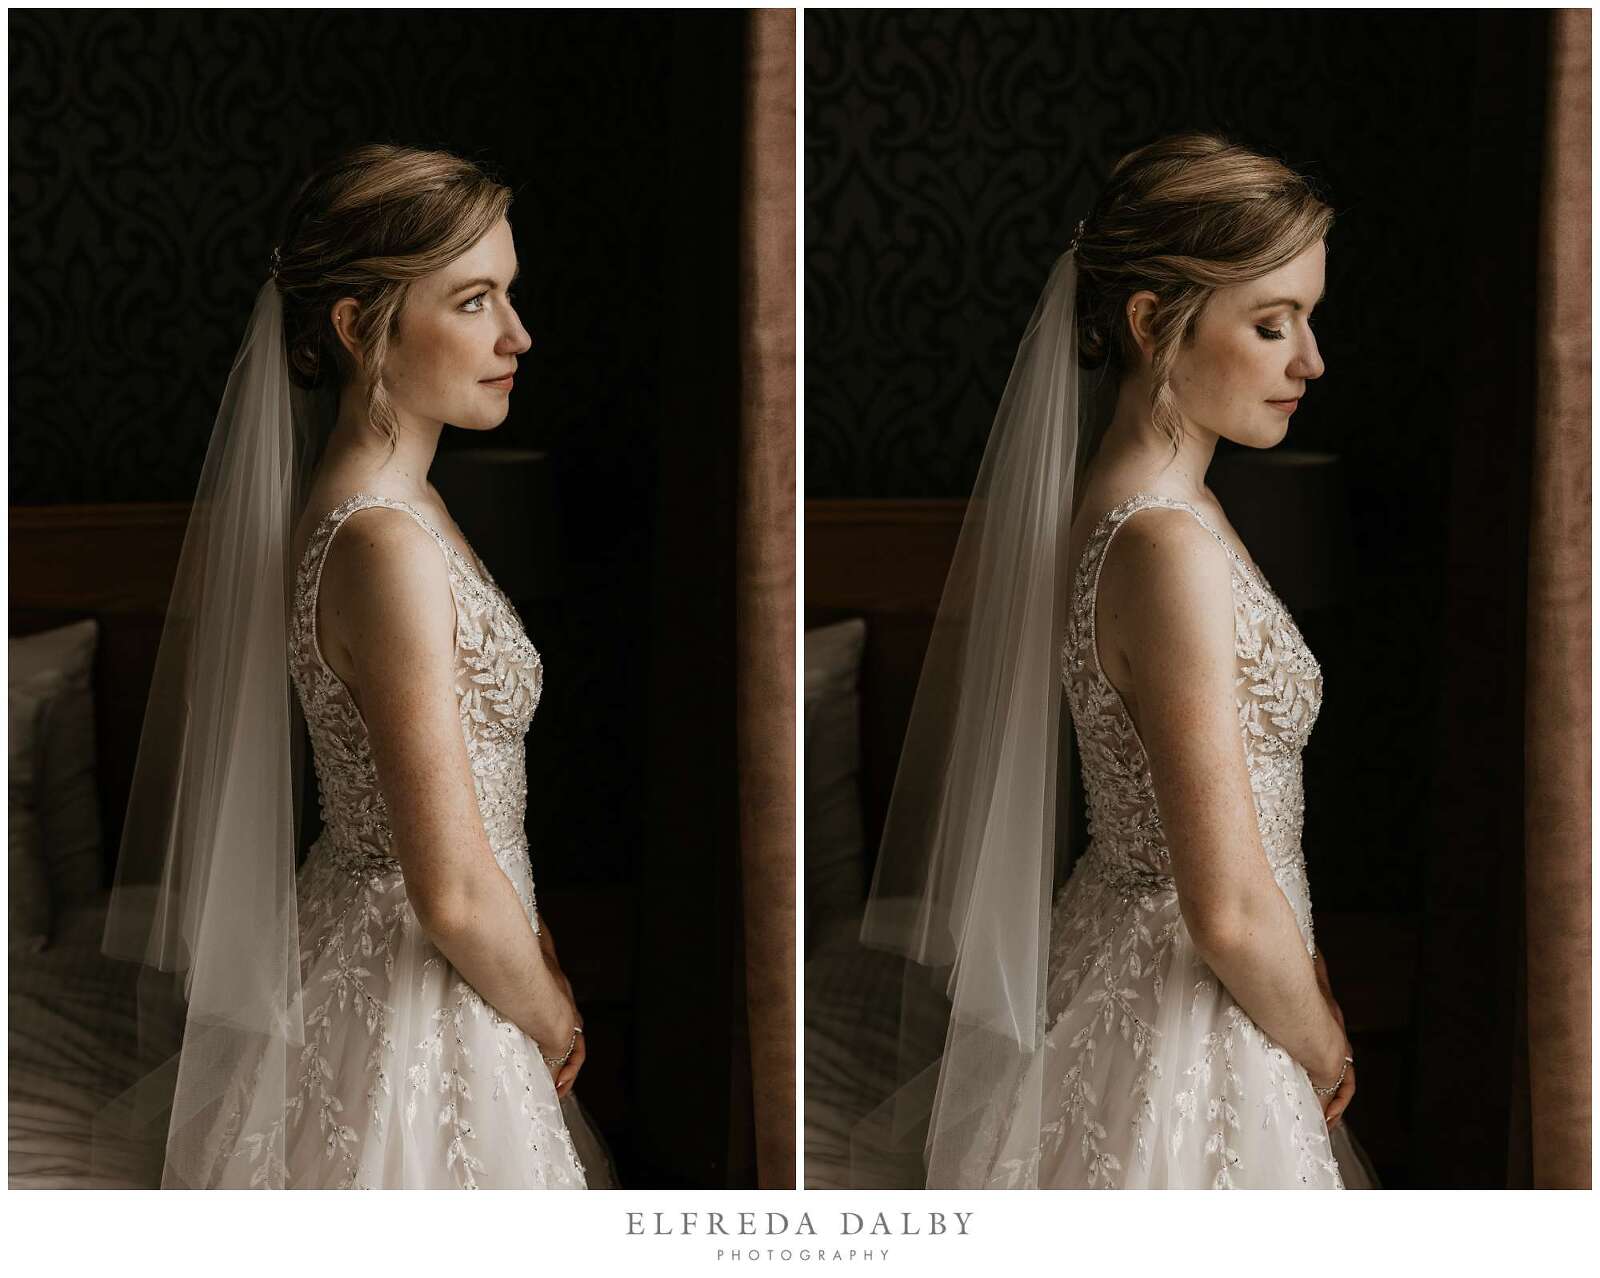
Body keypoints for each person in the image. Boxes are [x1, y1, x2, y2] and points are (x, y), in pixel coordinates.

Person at [857, 132, 1380, 1189]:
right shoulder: (1162, 544)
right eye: (1272, 324)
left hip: (1182, 961)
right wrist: (1323, 1045)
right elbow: (1223, 904)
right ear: (1152, 324)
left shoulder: (1148, 509)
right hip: (1187, 1001)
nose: (1310, 362)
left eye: (1307, 322)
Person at [101, 144, 611, 1189]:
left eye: (508, 295)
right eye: (474, 301)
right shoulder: (380, 543)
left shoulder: (397, 503)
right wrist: (553, 1014)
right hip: (411, 985)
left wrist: (536, 941)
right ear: (354, 326)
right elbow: (450, 892)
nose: (518, 334)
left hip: (448, 949)